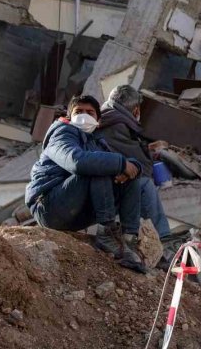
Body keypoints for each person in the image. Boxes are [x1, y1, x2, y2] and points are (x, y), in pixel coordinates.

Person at [25, 95, 147, 273]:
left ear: (98, 120)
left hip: (75, 213)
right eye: (78, 112)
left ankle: (128, 240)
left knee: (129, 178)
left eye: (89, 112)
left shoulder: (96, 142)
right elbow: (76, 162)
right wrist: (121, 163)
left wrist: (132, 167)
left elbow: (127, 164)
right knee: (97, 167)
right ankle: (106, 232)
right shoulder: (61, 134)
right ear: (69, 116)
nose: (84, 116)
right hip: (49, 207)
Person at [96, 85, 173, 244]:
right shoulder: (117, 124)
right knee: (144, 183)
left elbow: (126, 149)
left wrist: (147, 148)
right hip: (104, 185)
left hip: (102, 178)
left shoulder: (107, 114)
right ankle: (164, 239)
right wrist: (148, 154)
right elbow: (142, 164)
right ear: (136, 110)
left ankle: (147, 236)